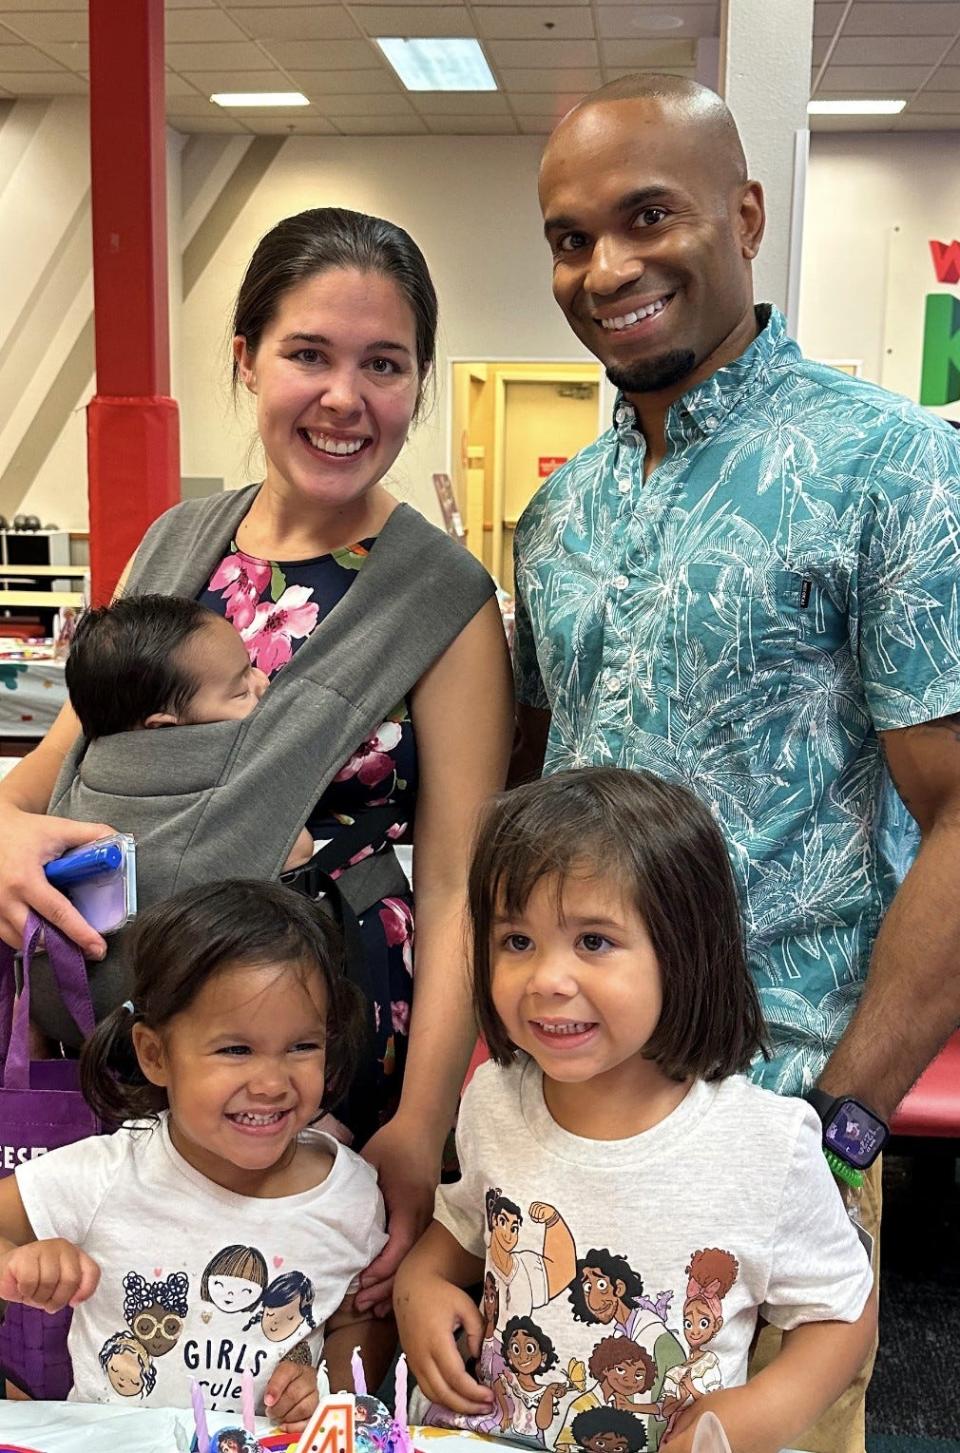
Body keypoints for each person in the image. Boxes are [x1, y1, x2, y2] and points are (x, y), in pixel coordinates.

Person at [514, 73, 960, 1449]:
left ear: (746, 215)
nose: (609, 268)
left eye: (650, 216)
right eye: (572, 237)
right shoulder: (557, 512)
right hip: (568, 1125)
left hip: (779, 1117)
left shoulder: (890, 468)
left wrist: (846, 1122)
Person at [0, 206, 515, 1311]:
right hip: (135, 1039)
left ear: (419, 383)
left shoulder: (444, 605)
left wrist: (422, 1126)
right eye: (309, 355)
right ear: (246, 359)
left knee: (289, 1340)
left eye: (385, 364)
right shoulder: (175, 547)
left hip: (317, 1055)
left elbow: (464, 885)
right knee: (124, 1327)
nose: (346, 398)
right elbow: (53, 769)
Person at [395, 768, 876, 1453]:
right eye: (516, 941)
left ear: (681, 950)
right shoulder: (494, 1099)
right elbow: (464, 1230)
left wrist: (752, 1417)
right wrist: (420, 1283)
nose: (547, 980)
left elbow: (843, 1311)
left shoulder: (766, 1144)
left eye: (593, 940)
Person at [0, 879, 394, 1432]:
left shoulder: (351, 1194)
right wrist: (16, 1266)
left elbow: (359, 1318)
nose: (271, 1083)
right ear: (155, 1055)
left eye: (302, 1046)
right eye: (236, 1050)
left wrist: (329, 1386)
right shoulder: (111, 1170)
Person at [63, 592, 314, 870]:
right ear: (164, 726)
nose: (262, 680)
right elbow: (297, 850)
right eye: (241, 691)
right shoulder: (214, 764)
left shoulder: (87, 763)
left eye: (250, 667)